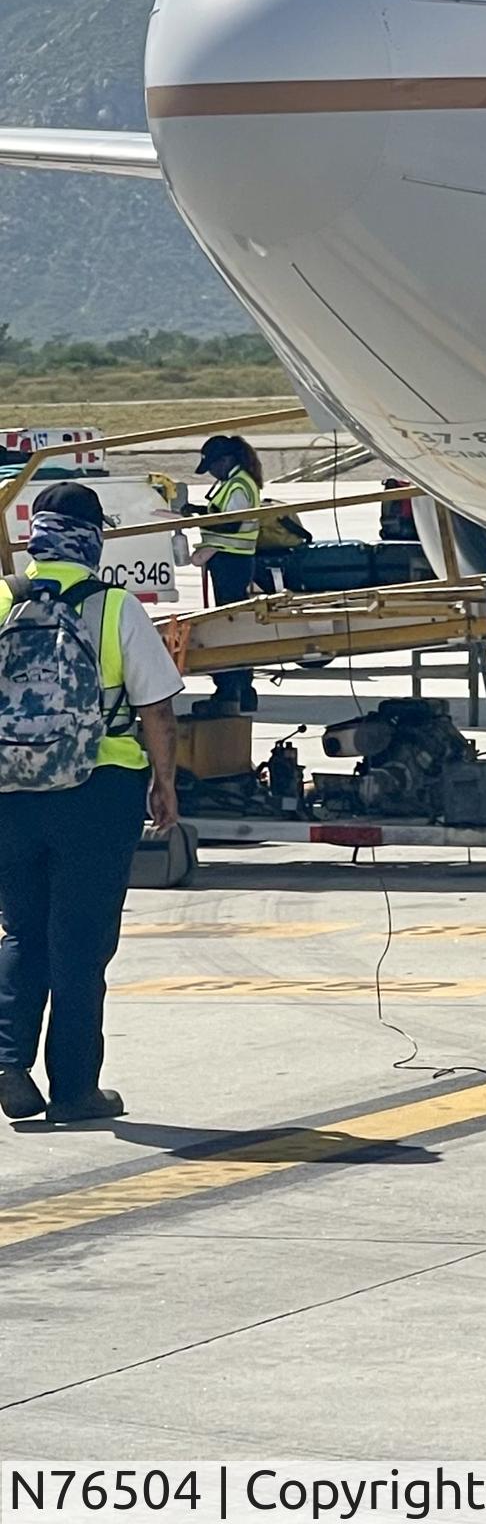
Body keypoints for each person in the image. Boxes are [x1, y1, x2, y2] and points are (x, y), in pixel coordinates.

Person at [0, 481, 181, 1125]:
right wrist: (165, 781)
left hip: (11, 791)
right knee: (80, 942)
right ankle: (75, 1089)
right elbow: (156, 707)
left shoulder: (3, 600)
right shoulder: (114, 608)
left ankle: (9, 1063)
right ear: (94, 537)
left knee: (22, 929)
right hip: (98, 791)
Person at [186, 435, 264, 712]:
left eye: (212, 466)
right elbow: (223, 515)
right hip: (230, 561)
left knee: (228, 626)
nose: (211, 472)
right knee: (233, 623)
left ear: (226, 460)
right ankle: (241, 688)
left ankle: (231, 688)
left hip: (232, 562)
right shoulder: (233, 482)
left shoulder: (240, 484)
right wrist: (198, 511)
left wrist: (196, 518)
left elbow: (231, 526)